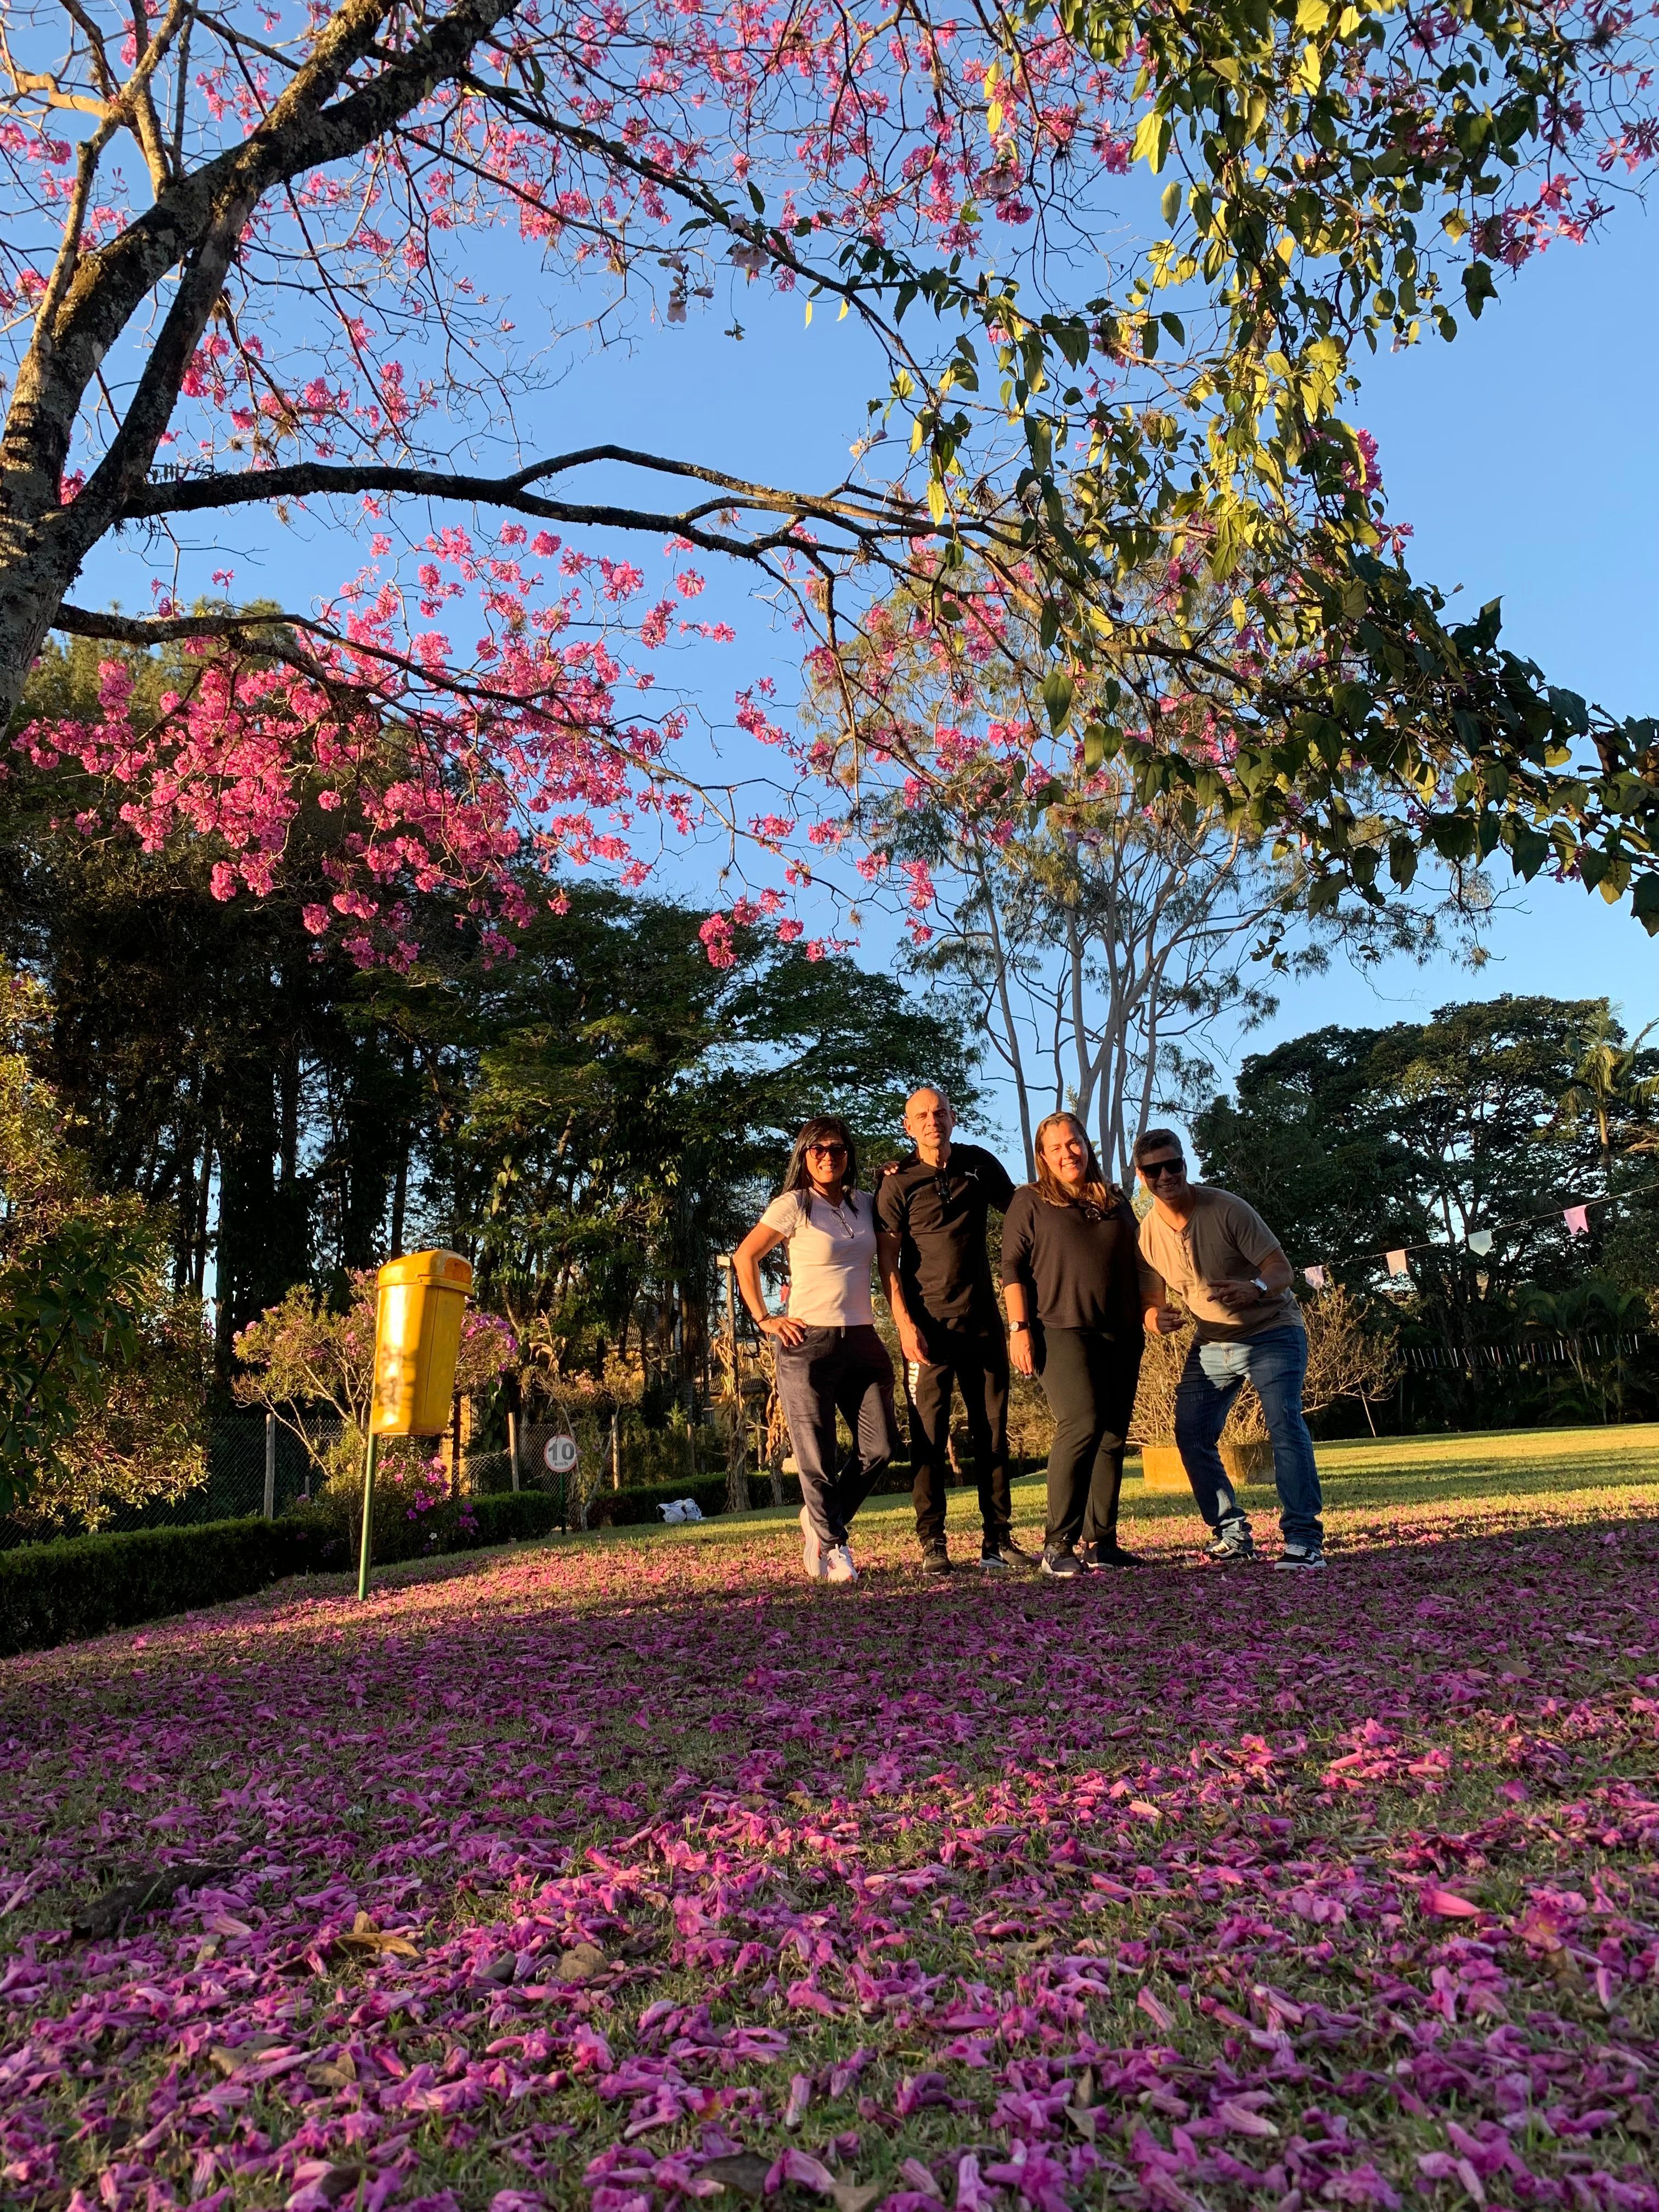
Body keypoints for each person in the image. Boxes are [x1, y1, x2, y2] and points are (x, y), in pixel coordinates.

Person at [1133, 1128, 1325, 1570]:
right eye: (1153, 1170)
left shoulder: (1228, 1208)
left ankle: (1303, 1539)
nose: (1165, 1176)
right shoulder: (1147, 1233)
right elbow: (1150, 1296)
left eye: (1173, 1165)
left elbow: (1282, 1270)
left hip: (1272, 1331)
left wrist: (1255, 1288)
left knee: (1284, 1424)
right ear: (1142, 1177)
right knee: (1191, 1433)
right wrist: (1153, 1319)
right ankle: (1232, 1534)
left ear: (1185, 1164)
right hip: (1212, 1343)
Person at [734, 1116, 898, 1585]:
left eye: (839, 1149)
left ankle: (821, 1518)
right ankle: (833, 1546)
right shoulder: (793, 1206)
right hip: (807, 1342)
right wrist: (765, 1319)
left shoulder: (866, 1203)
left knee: (881, 1447)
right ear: (804, 1155)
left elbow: (897, 1208)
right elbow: (747, 1256)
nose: (829, 1156)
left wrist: (893, 1173)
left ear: (850, 1154)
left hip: (863, 1337)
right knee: (817, 1454)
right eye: (818, 1149)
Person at [876, 1087, 1025, 1573]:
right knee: (928, 1436)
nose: (932, 1121)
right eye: (921, 1115)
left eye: (939, 1112)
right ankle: (932, 1542)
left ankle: (997, 1540)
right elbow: (888, 1262)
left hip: (983, 1323)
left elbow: (1025, 1214)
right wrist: (904, 1326)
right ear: (908, 1126)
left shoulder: (979, 1164)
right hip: (927, 1331)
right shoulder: (897, 1183)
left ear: (953, 1117)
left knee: (994, 1433)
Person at [1002, 1112, 1145, 1579]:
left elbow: (1143, 1262)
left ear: (1087, 1144)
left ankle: (1102, 1541)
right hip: (1059, 1328)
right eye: (1057, 1147)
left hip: (1122, 1331)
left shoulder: (1116, 1200)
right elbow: (1012, 1270)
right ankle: (1057, 1544)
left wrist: (1153, 1310)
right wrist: (1019, 1328)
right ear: (1044, 1157)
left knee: (1113, 1433)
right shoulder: (1031, 1202)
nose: (1069, 1153)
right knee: (1082, 1420)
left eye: (1075, 1142)